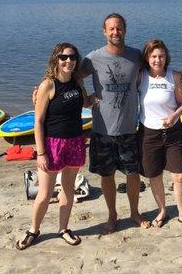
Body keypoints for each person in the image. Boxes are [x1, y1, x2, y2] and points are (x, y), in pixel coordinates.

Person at [16, 43, 92, 250]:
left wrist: (104, 95)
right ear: (55, 60)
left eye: (73, 57)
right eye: (63, 57)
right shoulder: (48, 85)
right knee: (45, 194)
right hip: (52, 144)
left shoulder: (77, 82)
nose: (69, 61)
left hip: (75, 141)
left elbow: (86, 103)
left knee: (68, 189)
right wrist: (41, 153)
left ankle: (64, 228)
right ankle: (33, 229)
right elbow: (38, 122)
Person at [81, 13, 150, 234]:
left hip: (129, 128)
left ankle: (135, 213)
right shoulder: (93, 58)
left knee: (133, 174)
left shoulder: (137, 56)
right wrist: (85, 98)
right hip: (102, 130)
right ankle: (112, 215)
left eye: (119, 28)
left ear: (125, 30)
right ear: (104, 31)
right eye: (111, 29)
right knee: (107, 175)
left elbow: (160, 70)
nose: (115, 32)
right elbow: (71, 76)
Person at [137, 39, 182, 230]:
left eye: (162, 56)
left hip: (173, 133)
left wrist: (174, 115)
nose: (158, 60)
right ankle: (162, 211)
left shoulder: (174, 76)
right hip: (149, 133)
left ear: (166, 58)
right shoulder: (140, 77)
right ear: (147, 57)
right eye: (154, 56)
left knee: (179, 176)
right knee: (154, 175)